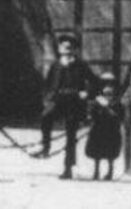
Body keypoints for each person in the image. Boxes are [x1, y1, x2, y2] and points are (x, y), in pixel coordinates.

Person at [40, 34, 96, 179]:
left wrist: (87, 93)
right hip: (58, 100)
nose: (67, 51)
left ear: (74, 50)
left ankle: (68, 168)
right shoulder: (56, 65)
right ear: (59, 49)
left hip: (74, 102)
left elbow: (95, 82)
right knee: (45, 116)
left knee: (71, 136)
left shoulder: (81, 65)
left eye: (70, 48)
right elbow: (47, 84)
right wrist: (47, 98)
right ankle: (45, 147)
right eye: (64, 48)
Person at [84, 72, 123, 180]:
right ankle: (96, 171)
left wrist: (108, 109)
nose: (108, 86)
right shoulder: (98, 99)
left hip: (111, 128)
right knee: (97, 150)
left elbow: (119, 115)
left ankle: (110, 172)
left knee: (110, 151)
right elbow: (92, 113)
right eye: (105, 83)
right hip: (99, 127)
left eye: (110, 83)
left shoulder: (116, 101)